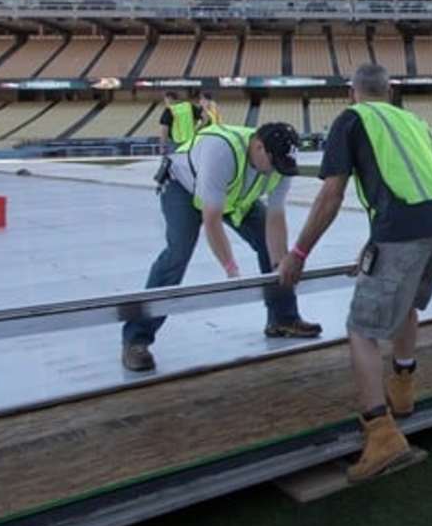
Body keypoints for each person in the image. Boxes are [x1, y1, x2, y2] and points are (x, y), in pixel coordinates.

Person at [279, 63, 432, 479]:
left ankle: (380, 433)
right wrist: (375, 241)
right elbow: (413, 179)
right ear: (391, 90)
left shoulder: (352, 119)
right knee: (408, 305)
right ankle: (403, 386)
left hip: (402, 229)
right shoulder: (413, 121)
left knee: (362, 328)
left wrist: (299, 252)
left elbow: (331, 194)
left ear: (352, 92)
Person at [125, 120, 321, 371]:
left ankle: (283, 318)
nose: (276, 172)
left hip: (233, 196)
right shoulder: (221, 152)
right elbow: (211, 219)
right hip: (184, 188)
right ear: (259, 147)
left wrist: (278, 264)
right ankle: (136, 339)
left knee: (268, 244)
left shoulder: (281, 164)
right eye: (274, 164)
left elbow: (276, 217)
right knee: (178, 254)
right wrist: (231, 269)